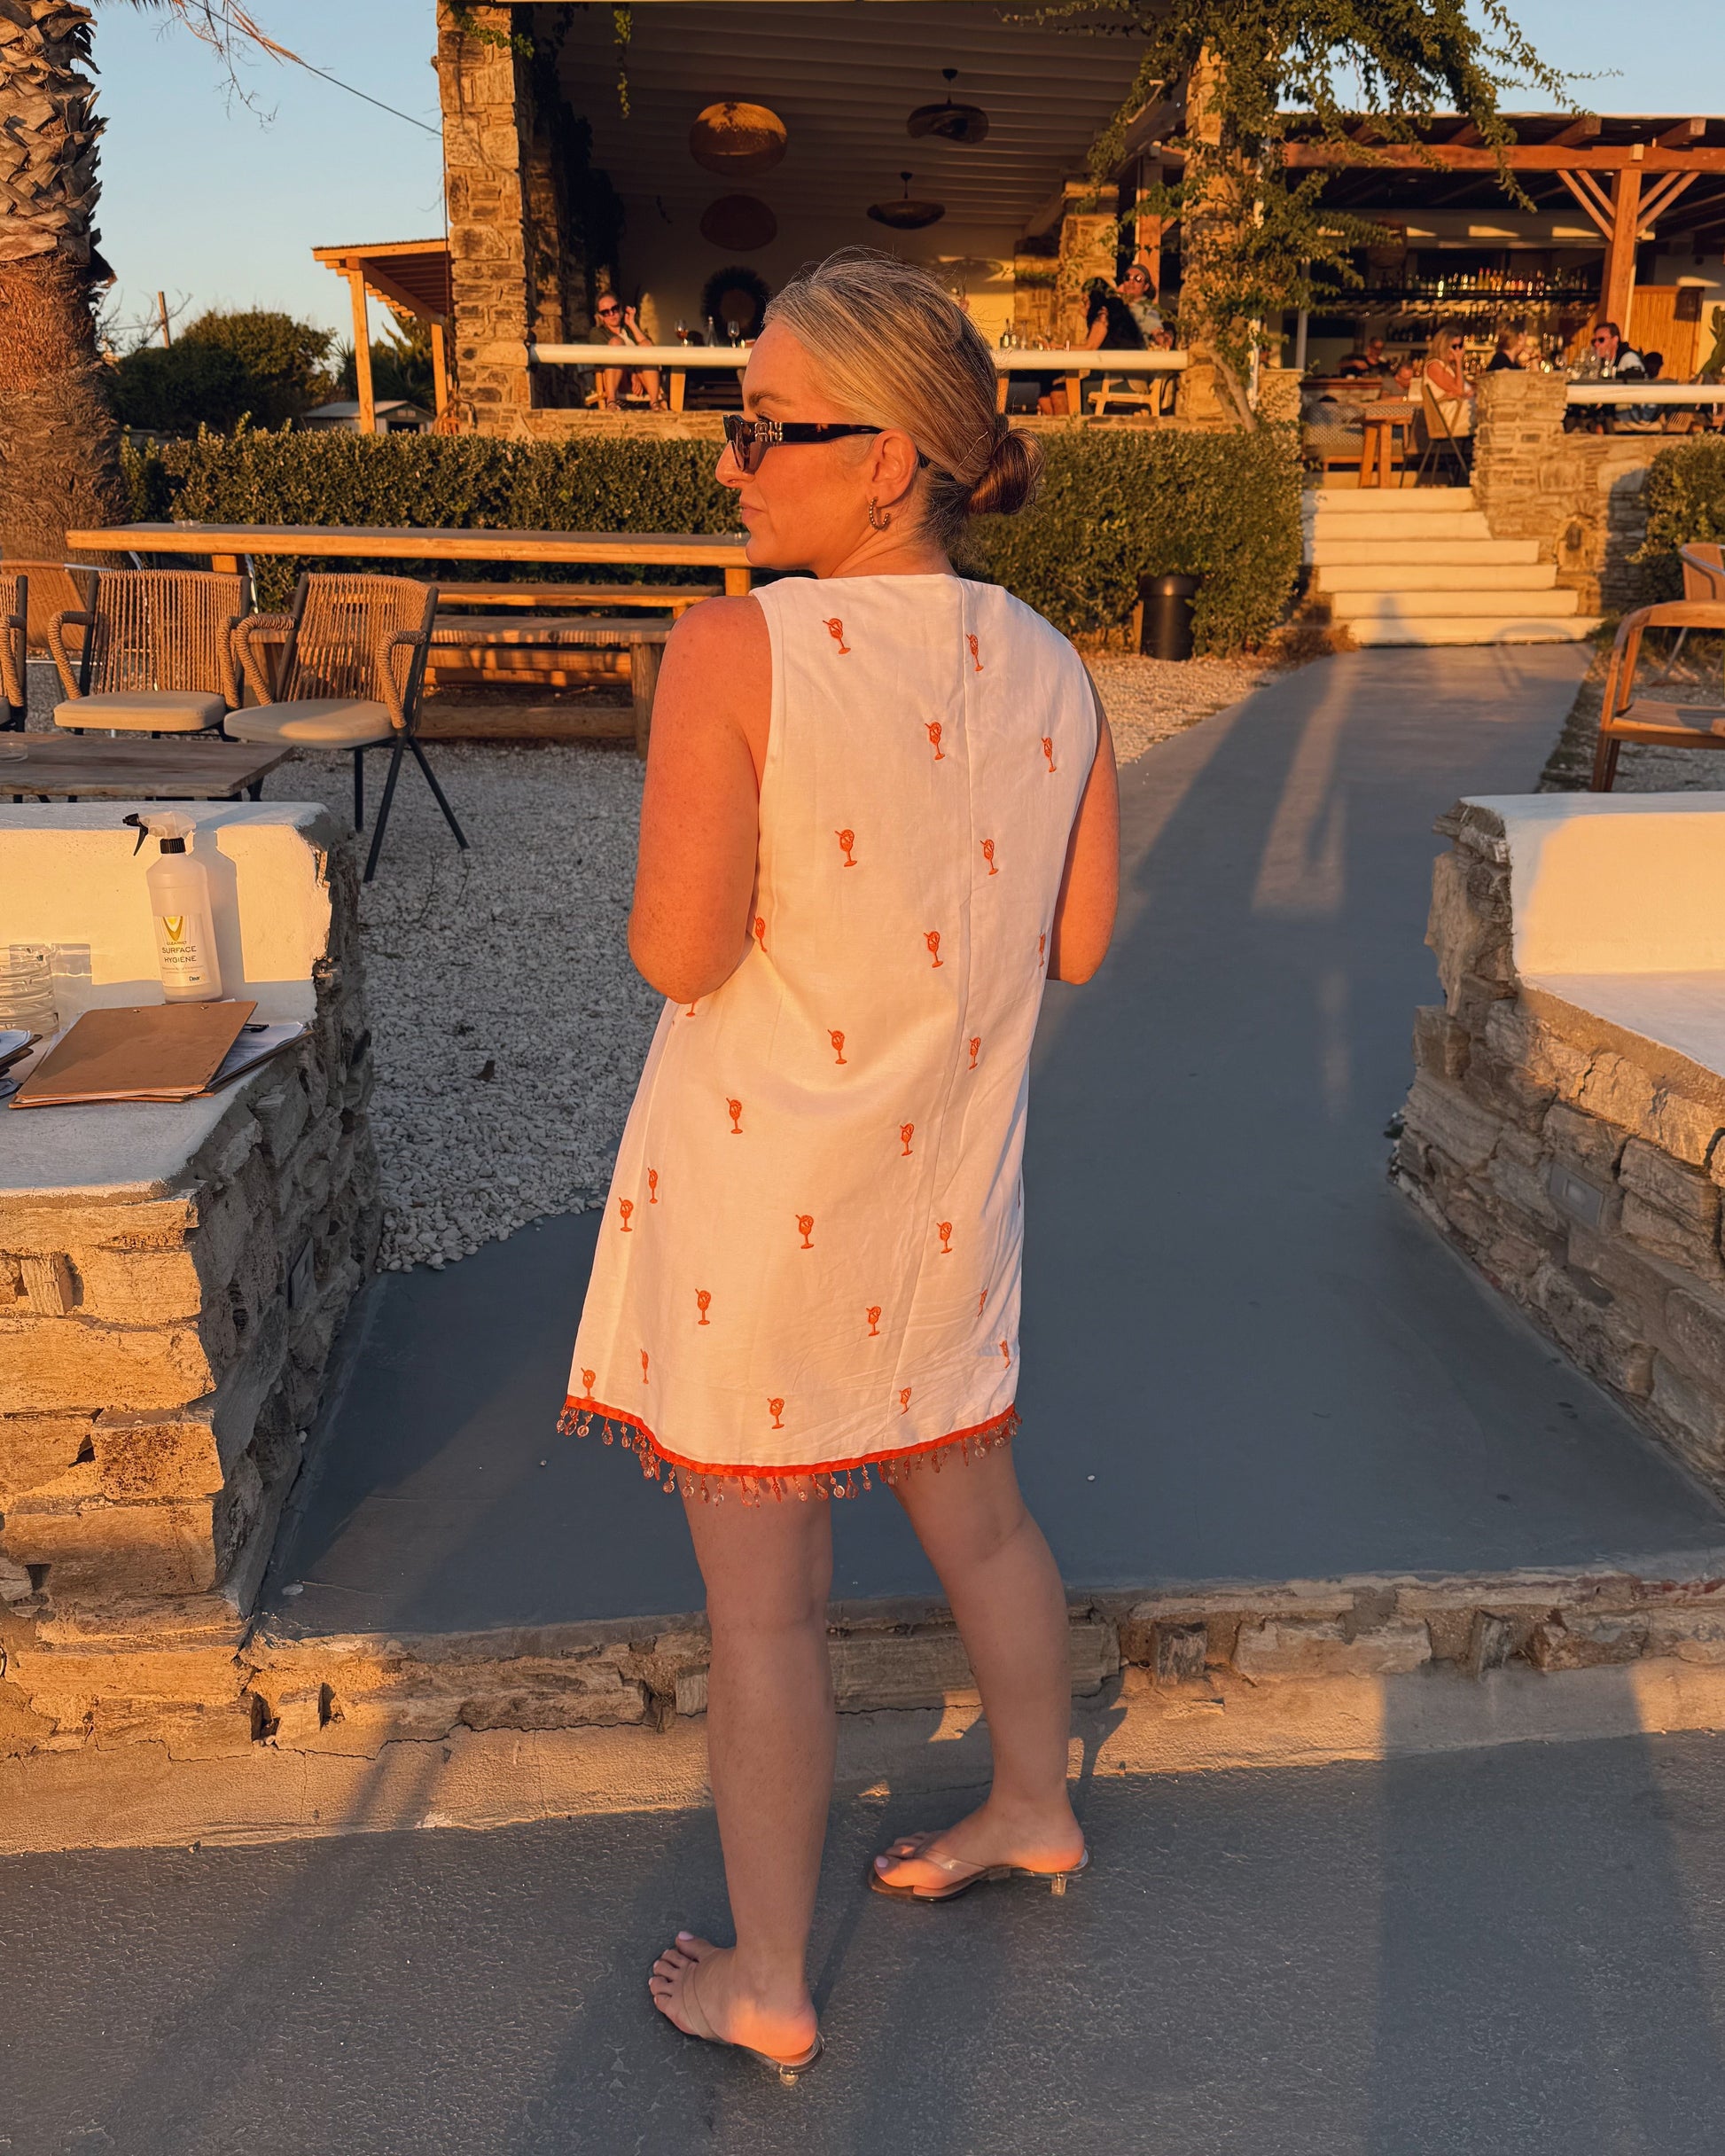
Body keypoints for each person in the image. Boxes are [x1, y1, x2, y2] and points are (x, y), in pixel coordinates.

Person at [567, 247, 1120, 2080]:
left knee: (766, 1608)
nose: (726, 465)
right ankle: (1032, 1799)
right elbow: (1084, 940)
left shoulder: (739, 644)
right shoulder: (1050, 661)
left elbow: (677, 952)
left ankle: (772, 1976)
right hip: (943, 1181)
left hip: (762, 1192)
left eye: (755, 428)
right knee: (983, 1510)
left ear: (884, 459)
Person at [594, 293, 665, 410]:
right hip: (619, 379)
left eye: (615, 309)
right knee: (616, 342)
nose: (611, 314)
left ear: (621, 309)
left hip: (642, 377)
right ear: (601, 317)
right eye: (606, 312)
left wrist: (632, 324)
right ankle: (611, 402)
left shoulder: (629, 331)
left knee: (645, 344)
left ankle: (654, 403)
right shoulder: (597, 333)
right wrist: (632, 374)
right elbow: (603, 360)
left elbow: (649, 348)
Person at [1421, 325, 1475, 437]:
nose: (1458, 350)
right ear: (1444, 346)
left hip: (1460, 408)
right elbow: (1459, 390)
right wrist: (1459, 361)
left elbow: (1461, 390)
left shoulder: (1452, 368)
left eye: (1460, 346)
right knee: (1489, 411)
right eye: (1454, 347)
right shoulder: (1434, 365)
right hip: (1448, 417)